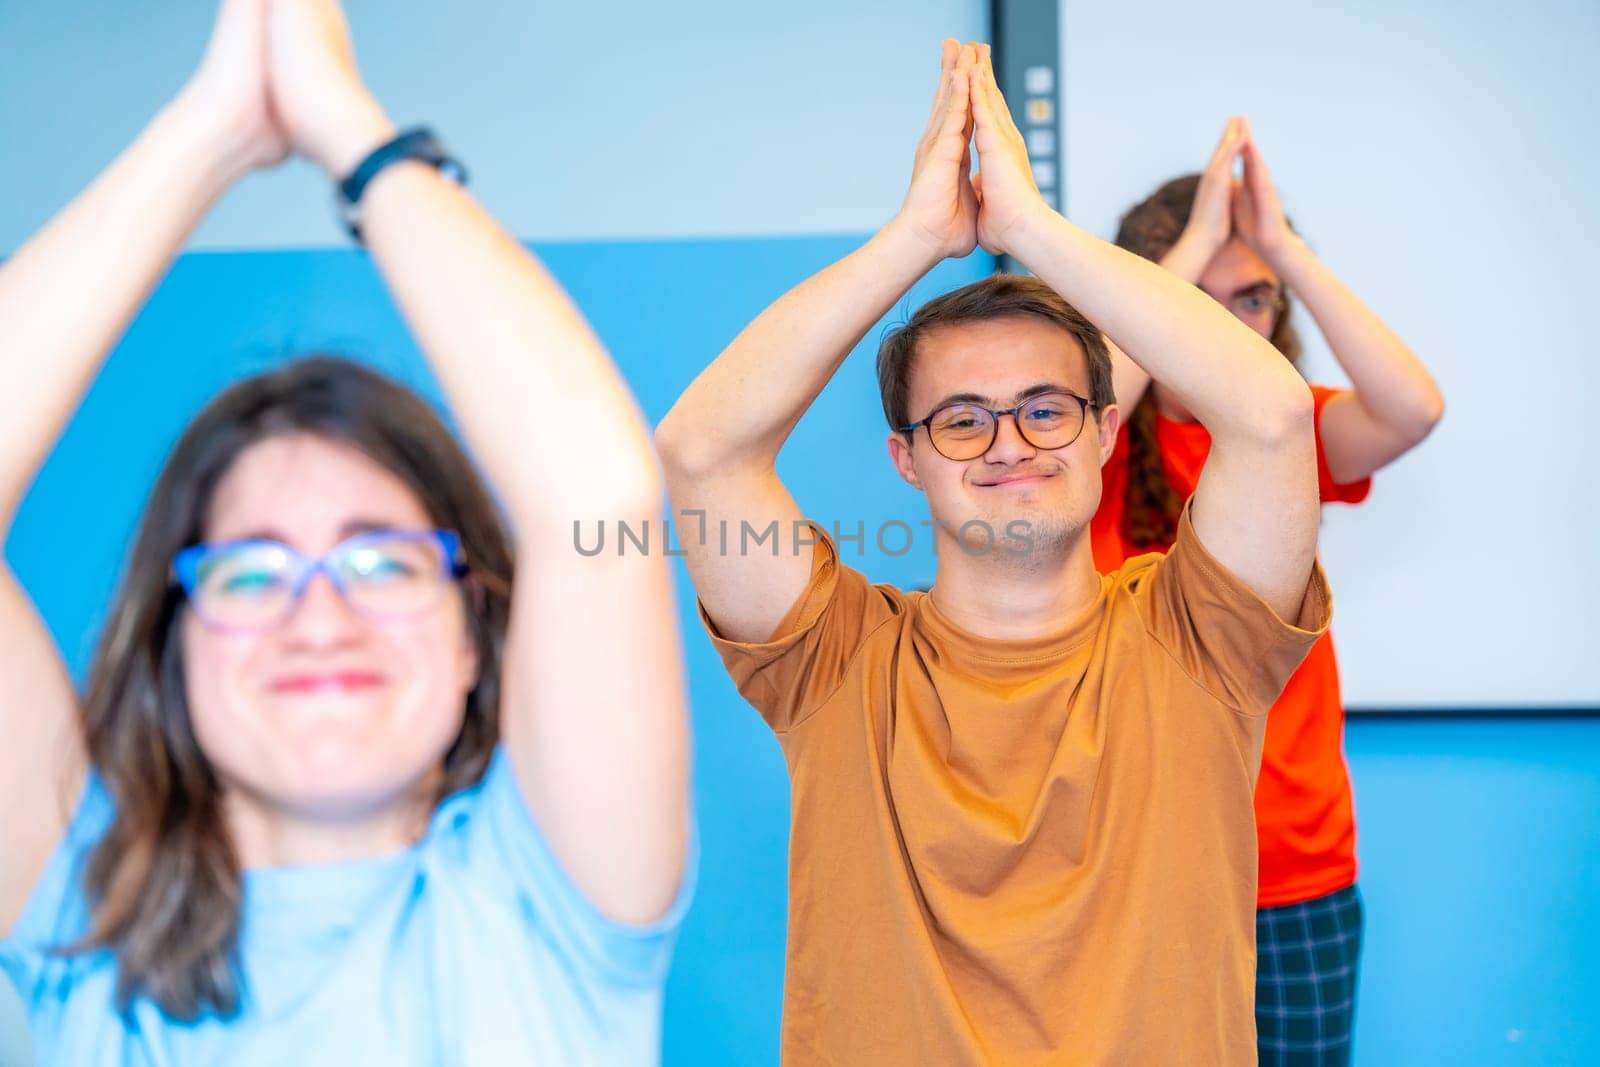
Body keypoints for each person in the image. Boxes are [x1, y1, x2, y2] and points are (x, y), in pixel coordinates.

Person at [0, 1, 692, 1062]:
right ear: (173, 646)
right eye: (249, 571)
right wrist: (211, 132)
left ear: (471, 637)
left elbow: (595, 494)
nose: (318, 614)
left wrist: (354, 136)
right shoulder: (79, 923)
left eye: (381, 560)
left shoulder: (546, 907)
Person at [656, 40, 1329, 1064]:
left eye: (1045, 409)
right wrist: (916, 236)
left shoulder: (1201, 639)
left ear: (1107, 433)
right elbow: (701, 450)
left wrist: (1030, 229)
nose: (1009, 441)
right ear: (906, 460)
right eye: (961, 419)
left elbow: (1273, 415)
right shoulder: (833, 659)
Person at [1097, 116, 1444, 1066]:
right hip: (1133, 864)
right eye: (1194, 301)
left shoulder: (1293, 439)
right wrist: (1190, 252)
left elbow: (1411, 409)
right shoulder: (1080, 450)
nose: (1226, 326)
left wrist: (1284, 248)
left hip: (1295, 868)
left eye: (1252, 301)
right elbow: (1075, 431)